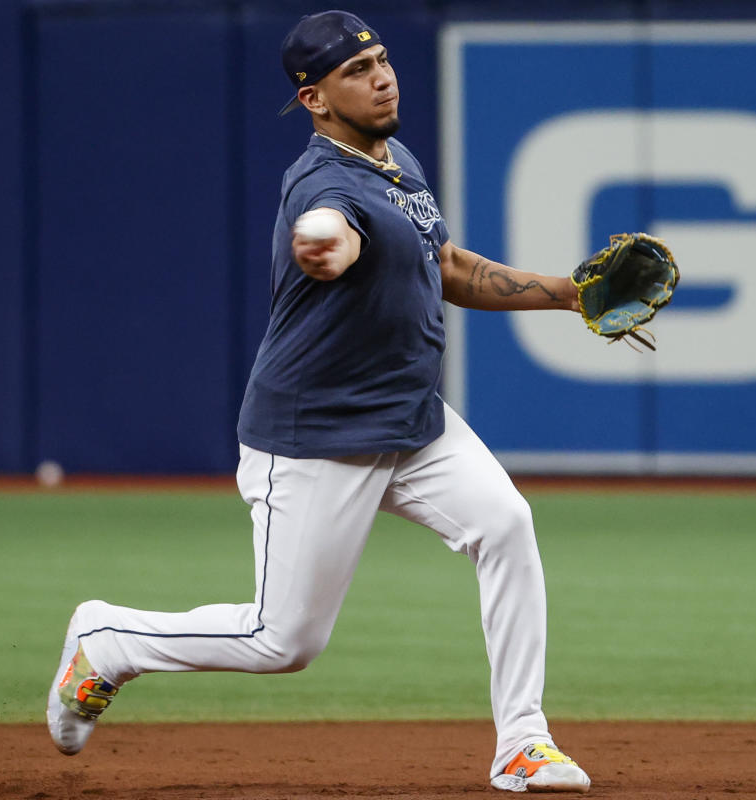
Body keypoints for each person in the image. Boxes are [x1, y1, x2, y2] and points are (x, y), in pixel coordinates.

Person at [46, 9, 591, 794]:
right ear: (316, 100)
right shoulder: (325, 180)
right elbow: (328, 229)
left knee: (505, 524)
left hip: (410, 419)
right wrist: (323, 243)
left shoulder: (395, 159)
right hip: (317, 433)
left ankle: (523, 742)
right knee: (284, 641)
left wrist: (569, 293)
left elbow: (445, 266)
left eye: (381, 59)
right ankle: (109, 640)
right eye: (356, 71)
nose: (382, 76)